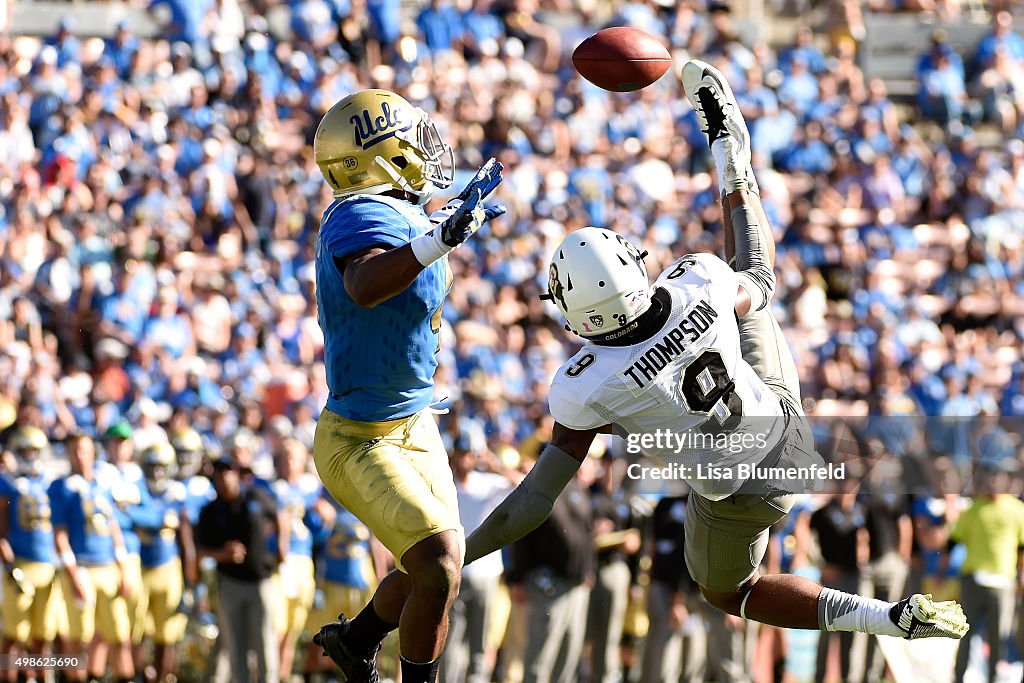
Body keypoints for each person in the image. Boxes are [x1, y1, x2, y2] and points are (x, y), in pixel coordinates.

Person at [463, 60, 968, 648]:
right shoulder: (695, 278)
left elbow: (532, 501)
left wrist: (463, 549)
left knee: (731, 591)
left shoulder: (584, 382)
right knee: (750, 289)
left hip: (735, 491)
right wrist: (733, 168)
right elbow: (755, 267)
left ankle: (886, 618)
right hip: (787, 435)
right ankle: (732, 152)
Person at [308, 88, 505, 683]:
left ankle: (357, 639)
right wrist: (439, 237)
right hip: (359, 437)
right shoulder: (357, 214)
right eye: (411, 139)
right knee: (438, 563)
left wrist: (447, 212)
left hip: (413, 422)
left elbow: (414, 228)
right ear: (380, 153)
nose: (426, 148)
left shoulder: (397, 208)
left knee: (437, 563)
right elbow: (366, 284)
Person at [49, 432, 135, 683]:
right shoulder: (61, 487)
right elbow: (59, 533)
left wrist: (124, 567)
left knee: (120, 635)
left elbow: (113, 527)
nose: (80, 456)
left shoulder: (103, 482)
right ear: (67, 454)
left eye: (84, 450)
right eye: (75, 450)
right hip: (83, 567)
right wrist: (73, 572)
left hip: (108, 566)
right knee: (79, 638)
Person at [196, 452, 287, 682]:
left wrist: (282, 548)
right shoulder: (211, 511)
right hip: (230, 583)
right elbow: (201, 549)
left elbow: (281, 516)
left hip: (261, 581)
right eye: (218, 474)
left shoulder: (255, 496)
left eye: (227, 472)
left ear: (236, 474)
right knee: (236, 649)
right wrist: (223, 555)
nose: (224, 478)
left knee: (265, 644)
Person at [951, 462, 1024, 683]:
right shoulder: (974, 508)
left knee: (998, 640)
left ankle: (993, 679)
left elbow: (1022, 548)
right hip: (973, 580)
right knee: (964, 634)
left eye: (997, 478)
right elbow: (952, 540)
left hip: (1002, 584)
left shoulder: (1017, 509)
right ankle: (957, 679)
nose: (993, 483)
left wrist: (1021, 577)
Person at [0, 427, 59, 683]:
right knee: (14, 634)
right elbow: (1, 528)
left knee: (42, 635)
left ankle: (40, 678)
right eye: (24, 450)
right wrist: (8, 561)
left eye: (34, 450)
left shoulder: (51, 482)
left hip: (47, 564)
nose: (30, 456)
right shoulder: (8, 482)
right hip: (20, 564)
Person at [136, 441, 196, 683]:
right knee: (136, 633)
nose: (158, 473)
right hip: (140, 568)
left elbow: (186, 542)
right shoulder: (135, 491)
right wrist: (156, 518)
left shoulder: (177, 496)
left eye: (162, 467)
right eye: (152, 467)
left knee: (167, 636)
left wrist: (190, 584)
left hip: (168, 568)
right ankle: (139, 676)